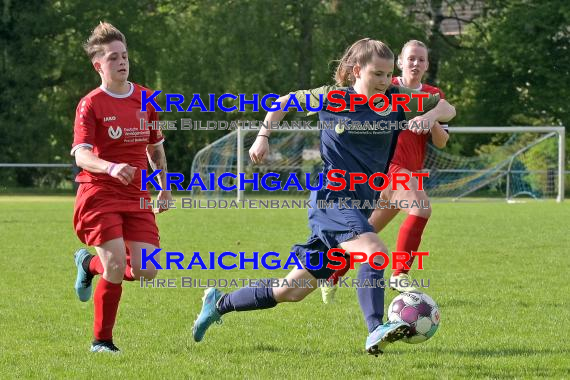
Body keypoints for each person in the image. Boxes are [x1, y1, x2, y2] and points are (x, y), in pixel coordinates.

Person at [191, 38, 455, 355]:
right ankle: (375, 330)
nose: (385, 82)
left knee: (290, 290)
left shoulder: (396, 100)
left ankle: (218, 303)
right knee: (375, 252)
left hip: (359, 204)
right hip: (331, 198)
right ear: (357, 71)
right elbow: (283, 102)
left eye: (387, 75)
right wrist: (263, 136)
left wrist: (430, 115)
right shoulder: (331, 98)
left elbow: (447, 108)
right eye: (377, 74)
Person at [321, 39, 449, 303]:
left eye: (421, 59)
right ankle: (400, 274)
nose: (416, 63)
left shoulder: (432, 95)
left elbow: (441, 141)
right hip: (389, 167)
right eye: (411, 58)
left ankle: (331, 273)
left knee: (366, 233)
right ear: (400, 62)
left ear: (427, 65)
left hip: (409, 172)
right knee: (421, 208)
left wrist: (430, 116)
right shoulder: (388, 88)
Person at [71, 22, 171, 353]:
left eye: (125, 56)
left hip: (137, 194)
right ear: (98, 65)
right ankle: (102, 341)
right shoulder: (90, 104)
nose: (122, 62)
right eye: (114, 58)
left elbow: (155, 148)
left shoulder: (145, 99)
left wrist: (164, 186)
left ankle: (88, 265)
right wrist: (112, 167)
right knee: (115, 265)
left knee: (147, 269)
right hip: (99, 192)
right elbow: (82, 155)